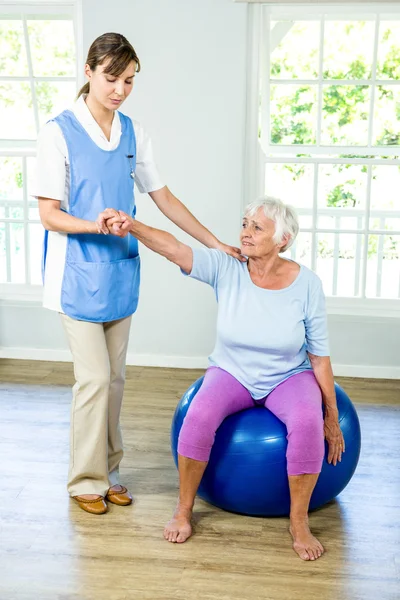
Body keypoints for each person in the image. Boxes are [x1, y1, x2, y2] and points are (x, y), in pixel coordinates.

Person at [34, 32, 242, 515]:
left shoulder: (132, 133)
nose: (120, 90)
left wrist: (214, 243)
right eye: (111, 78)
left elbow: (163, 198)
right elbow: (49, 214)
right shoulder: (58, 132)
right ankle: (83, 479)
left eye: (129, 80)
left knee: (116, 381)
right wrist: (97, 224)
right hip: (76, 273)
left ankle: (109, 472)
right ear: (88, 72)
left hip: (120, 272)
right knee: (93, 380)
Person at [105, 196, 345, 560]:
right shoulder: (227, 266)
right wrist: (132, 225)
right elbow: (174, 248)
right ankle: (183, 510)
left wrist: (332, 416)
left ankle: (299, 522)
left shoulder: (307, 284)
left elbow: (319, 356)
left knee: (307, 423)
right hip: (231, 371)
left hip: (288, 376)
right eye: (245, 224)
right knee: (198, 417)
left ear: (283, 240)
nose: (245, 233)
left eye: (257, 228)